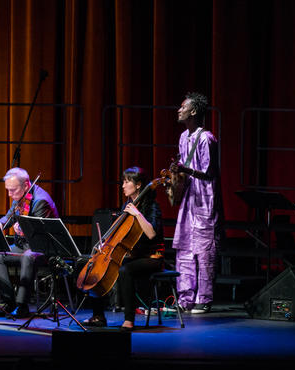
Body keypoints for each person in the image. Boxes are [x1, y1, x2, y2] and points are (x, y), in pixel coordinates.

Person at [82, 166, 163, 329]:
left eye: (127, 182)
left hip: (151, 257)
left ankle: (129, 319)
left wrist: (137, 213)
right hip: (133, 255)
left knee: (125, 271)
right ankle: (98, 315)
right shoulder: (127, 205)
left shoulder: (151, 207)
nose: (123, 185)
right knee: (92, 265)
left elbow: (152, 233)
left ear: (138, 185)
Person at [170, 92, 223, 314]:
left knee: (204, 251)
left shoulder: (206, 138)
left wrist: (186, 170)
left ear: (193, 111)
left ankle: (204, 298)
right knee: (185, 249)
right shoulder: (184, 137)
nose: (178, 110)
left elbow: (209, 172)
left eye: (183, 107)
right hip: (189, 200)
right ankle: (185, 297)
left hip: (204, 200)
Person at [0, 167, 59, 318]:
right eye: (8, 190)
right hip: (24, 246)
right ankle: (8, 302)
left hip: (43, 249)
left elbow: (38, 235)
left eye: (12, 190)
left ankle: (22, 305)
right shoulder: (20, 197)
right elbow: (9, 216)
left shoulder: (41, 201)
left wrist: (23, 230)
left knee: (29, 256)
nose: (9, 194)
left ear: (26, 185)